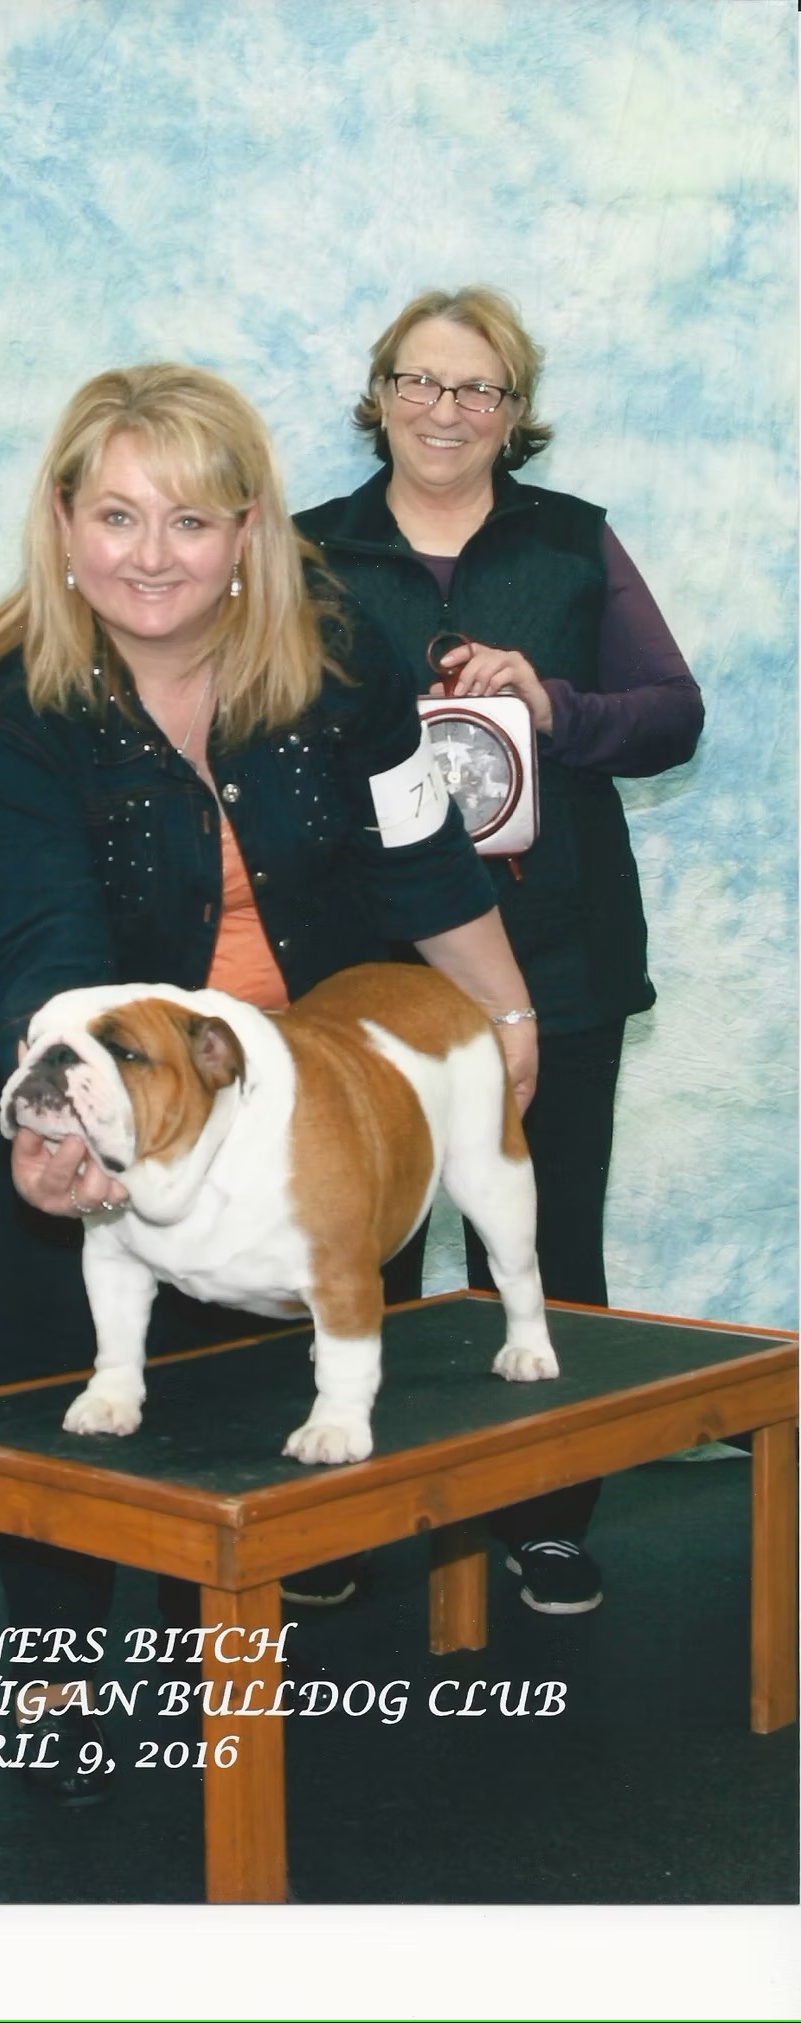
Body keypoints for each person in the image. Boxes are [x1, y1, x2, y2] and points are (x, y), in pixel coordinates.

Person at [0, 362, 538, 1800]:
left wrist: (507, 1014)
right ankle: (50, 1663)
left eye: (190, 520)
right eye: (116, 515)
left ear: (247, 531)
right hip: (102, 1062)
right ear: (63, 523)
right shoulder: (18, 705)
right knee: (68, 1357)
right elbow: (47, 933)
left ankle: (211, 1648)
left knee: (272, 1370)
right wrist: (75, 1121)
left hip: (307, 1075)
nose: (151, 556)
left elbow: (419, 853)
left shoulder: (340, 659)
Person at [295, 285, 704, 1616]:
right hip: (359, 959)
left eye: (478, 388)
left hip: (558, 946)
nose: (445, 410)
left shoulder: (573, 540)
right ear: (379, 396)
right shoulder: (303, 552)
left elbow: (672, 715)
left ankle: (544, 1515)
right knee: (356, 1239)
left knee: (542, 1237)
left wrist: (555, 701)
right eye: (420, 381)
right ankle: (342, 1509)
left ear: (513, 412)